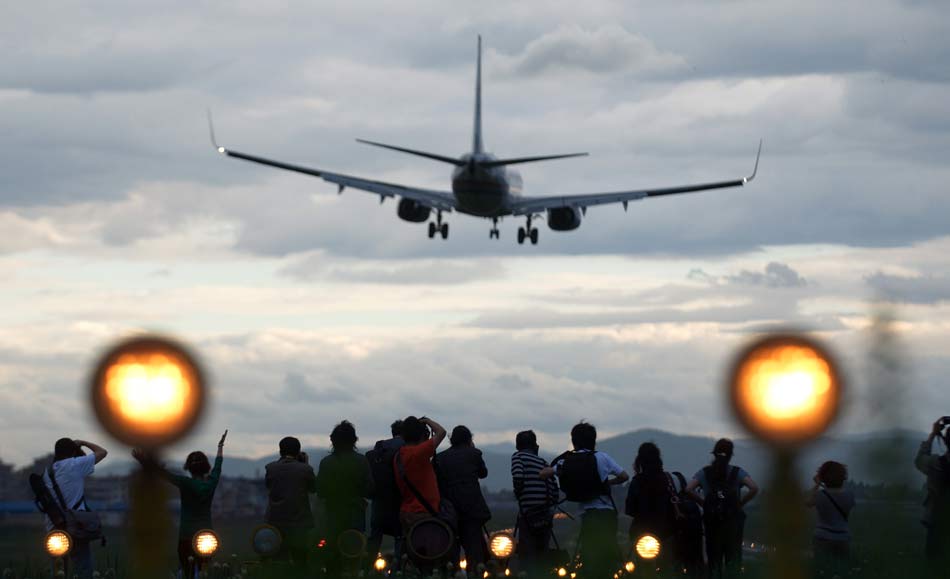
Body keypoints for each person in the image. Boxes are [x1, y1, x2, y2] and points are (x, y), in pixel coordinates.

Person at [132, 430, 227, 579]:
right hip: (206, 536)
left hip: (186, 536)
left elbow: (164, 474)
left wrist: (144, 461)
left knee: (187, 572)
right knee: (205, 571)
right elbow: (218, 467)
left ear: (188, 467)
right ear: (206, 467)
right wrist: (220, 446)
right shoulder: (211, 483)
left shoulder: (184, 483)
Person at [542, 422, 629, 579]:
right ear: (593, 440)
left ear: (574, 441)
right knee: (608, 553)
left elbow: (544, 473)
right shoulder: (602, 457)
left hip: (587, 515)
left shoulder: (566, 461)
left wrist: (559, 471)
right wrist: (608, 483)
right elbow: (624, 476)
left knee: (589, 553)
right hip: (607, 513)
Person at [686, 438, 759, 578]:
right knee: (733, 562)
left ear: (714, 454)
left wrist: (704, 504)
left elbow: (689, 489)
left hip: (712, 525)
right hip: (733, 525)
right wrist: (739, 504)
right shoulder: (737, 472)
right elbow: (754, 488)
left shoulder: (704, 472)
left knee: (714, 562)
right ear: (731, 455)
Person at [43, 438, 108, 579]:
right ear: (72, 452)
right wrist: (83, 443)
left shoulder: (47, 472)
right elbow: (102, 452)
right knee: (84, 570)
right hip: (75, 527)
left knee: (59, 572)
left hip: (54, 528)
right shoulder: (75, 464)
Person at [316, 421, 375, 576]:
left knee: (333, 559)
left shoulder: (326, 463)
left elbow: (320, 491)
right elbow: (370, 490)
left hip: (332, 517)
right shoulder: (361, 461)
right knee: (354, 556)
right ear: (354, 440)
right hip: (355, 516)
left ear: (333, 441)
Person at [434, 425, 491, 570]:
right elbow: (483, 473)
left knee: (451, 550)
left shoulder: (439, 458)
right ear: (469, 439)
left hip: (448, 510)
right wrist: (473, 449)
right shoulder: (474, 454)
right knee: (474, 551)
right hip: (472, 509)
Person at [394, 416, 447, 561]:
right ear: (420, 435)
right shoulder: (418, 453)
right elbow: (442, 432)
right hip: (423, 514)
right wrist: (429, 421)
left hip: (407, 512)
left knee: (412, 557)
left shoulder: (399, 456)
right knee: (428, 558)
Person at [265, 436, 317, 573]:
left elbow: (269, 486)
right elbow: (313, 489)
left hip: (275, 523)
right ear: (298, 451)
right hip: (300, 524)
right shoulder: (305, 469)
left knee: (278, 561)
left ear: (280, 451)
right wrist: (305, 463)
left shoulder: (270, 468)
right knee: (301, 561)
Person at [624, 443, 680, 569]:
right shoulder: (669, 479)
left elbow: (630, 510)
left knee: (644, 570)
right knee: (667, 568)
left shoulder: (636, 482)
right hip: (666, 533)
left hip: (642, 535)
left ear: (640, 461)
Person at [511, 430, 559, 574]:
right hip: (545, 514)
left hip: (528, 514)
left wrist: (519, 495)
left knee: (527, 553)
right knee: (542, 552)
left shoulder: (517, 456)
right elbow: (555, 488)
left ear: (517, 446)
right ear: (535, 446)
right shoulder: (543, 462)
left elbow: (518, 477)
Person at [366, 420, 406, 567]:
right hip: (399, 501)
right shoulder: (405, 448)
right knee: (400, 537)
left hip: (378, 501)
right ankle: (398, 571)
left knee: (375, 537)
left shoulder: (379, 449)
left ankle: (367, 570)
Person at [805, 460, 854, 576]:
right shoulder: (850, 495)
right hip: (843, 538)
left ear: (823, 477)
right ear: (843, 477)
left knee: (821, 570)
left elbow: (808, 502)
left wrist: (817, 484)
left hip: (822, 538)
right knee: (841, 571)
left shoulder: (820, 495)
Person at [915, 417, 950, 564]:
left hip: (937, 518)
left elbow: (919, 460)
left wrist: (933, 434)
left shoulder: (936, 464)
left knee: (934, 562)